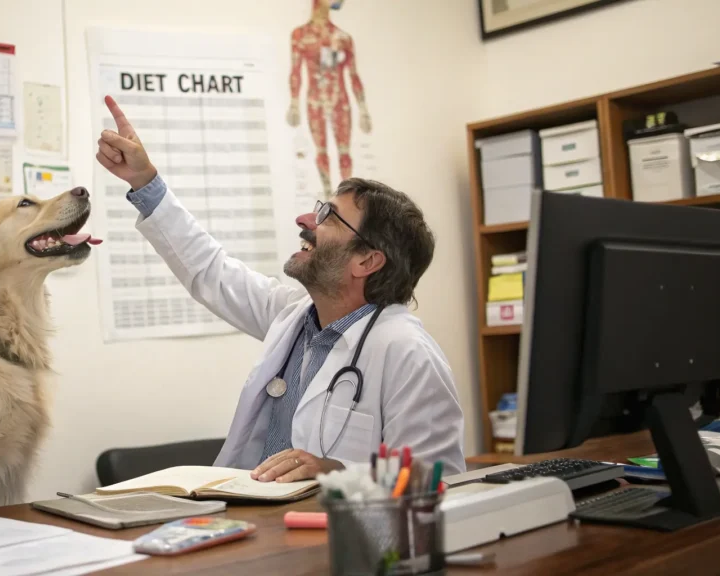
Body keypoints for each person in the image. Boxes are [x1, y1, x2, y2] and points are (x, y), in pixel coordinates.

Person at [96, 96, 465, 481]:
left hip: (334, 534)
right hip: (253, 518)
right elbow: (209, 269)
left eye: (328, 216)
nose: (305, 219)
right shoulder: (293, 315)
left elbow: (442, 479)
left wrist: (335, 471)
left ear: (367, 261)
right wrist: (144, 181)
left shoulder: (406, 351)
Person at [287, 0, 371, 198]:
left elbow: (353, 75)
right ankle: (328, 201)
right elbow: (295, 72)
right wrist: (294, 104)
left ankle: (345, 202)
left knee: (344, 153)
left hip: (340, 102)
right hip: (315, 102)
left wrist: (363, 110)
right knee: (321, 152)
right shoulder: (300, 35)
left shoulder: (343, 38)